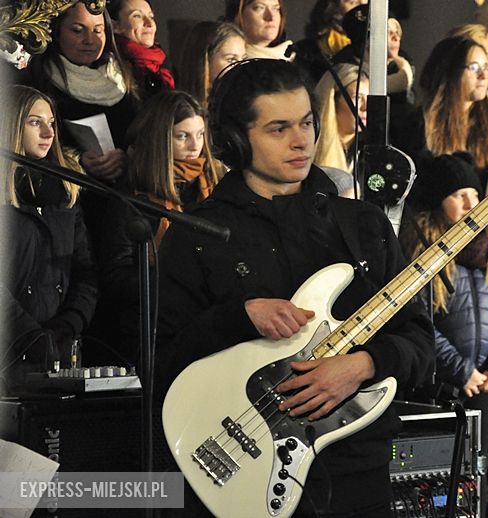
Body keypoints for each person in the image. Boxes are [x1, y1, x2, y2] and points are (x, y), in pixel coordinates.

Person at [154, 58, 434, 516]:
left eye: (306, 122)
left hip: (355, 468)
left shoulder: (363, 224)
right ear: (236, 141)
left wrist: (364, 364)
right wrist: (238, 316)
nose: (301, 140)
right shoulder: (199, 233)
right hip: (242, 470)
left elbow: (420, 341)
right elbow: (163, 361)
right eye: (278, 128)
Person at [400, 152, 488, 463]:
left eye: (475, 194)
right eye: (459, 195)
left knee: (477, 464)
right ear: (439, 201)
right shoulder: (422, 247)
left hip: (486, 380)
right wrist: (460, 371)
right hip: (443, 382)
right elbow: (420, 319)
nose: (471, 204)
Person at [92, 90, 218, 369]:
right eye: (182, 136)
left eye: (200, 134)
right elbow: (114, 275)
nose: (194, 145)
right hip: (152, 332)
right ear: (161, 138)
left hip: (207, 327)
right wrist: (171, 284)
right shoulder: (133, 197)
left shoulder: (213, 184)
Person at [0, 85, 97, 383]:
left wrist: (68, 324)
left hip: (57, 351)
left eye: (52, 122)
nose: (48, 132)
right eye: (34, 122)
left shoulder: (64, 192)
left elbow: (86, 273)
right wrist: (29, 334)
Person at [391, 35, 488, 198]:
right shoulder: (416, 126)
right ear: (449, 71)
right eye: (473, 67)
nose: (483, 75)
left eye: (486, 67)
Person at [26, 2, 137, 183]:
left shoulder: (124, 77)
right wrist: (77, 160)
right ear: (56, 31)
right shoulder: (38, 82)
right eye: (78, 30)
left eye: (98, 30)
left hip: (124, 191)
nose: (89, 40)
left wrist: (126, 158)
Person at [108, 0, 175, 100]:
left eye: (151, 17)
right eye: (137, 16)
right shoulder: (111, 68)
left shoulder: (163, 63)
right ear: (115, 26)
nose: (149, 24)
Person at [175, 21, 247, 110]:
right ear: (205, 60)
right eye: (231, 60)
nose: (241, 68)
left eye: (243, 59)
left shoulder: (245, 105)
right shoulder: (182, 111)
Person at [313, 62, 367, 178]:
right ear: (332, 100)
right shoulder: (308, 148)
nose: (366, 107)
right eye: (357, 97)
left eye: (369, 98)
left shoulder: (370, 151)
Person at [296, 0, 368, 82]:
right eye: (353, 2)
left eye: (366, 3)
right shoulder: (307, 50)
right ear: (334, 5)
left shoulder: (373, 46)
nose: (363, 9)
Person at [224, 0, 293, 60]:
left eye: (276, 9)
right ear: (238, 16)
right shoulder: (228, 64)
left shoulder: (297, 60)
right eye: (259, 8)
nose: (271, 17)